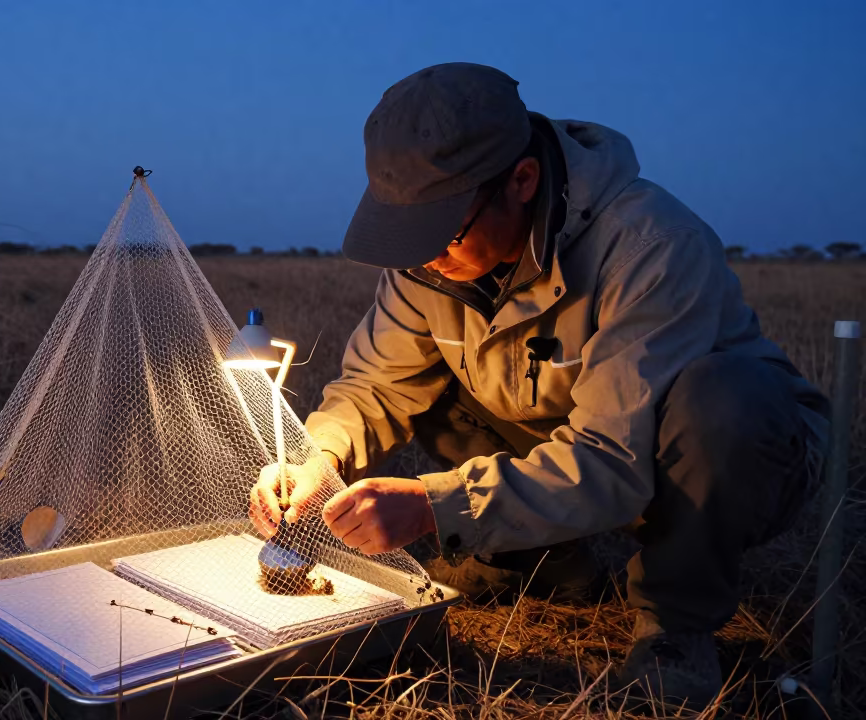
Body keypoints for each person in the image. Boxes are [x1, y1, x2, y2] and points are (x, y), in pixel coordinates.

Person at [248, 62, 829, 705]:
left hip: (720, 455)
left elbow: (613, 457)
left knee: (719, 401)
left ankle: (675, 625)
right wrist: (317, 458)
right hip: (563, 434)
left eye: (441, 234)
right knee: (426, 386)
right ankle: (540, 559)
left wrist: (436, 506)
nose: (421, 258)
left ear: (522, 181)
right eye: (406, 235)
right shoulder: (424, 263)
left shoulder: (650, 245)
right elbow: (373, 386)